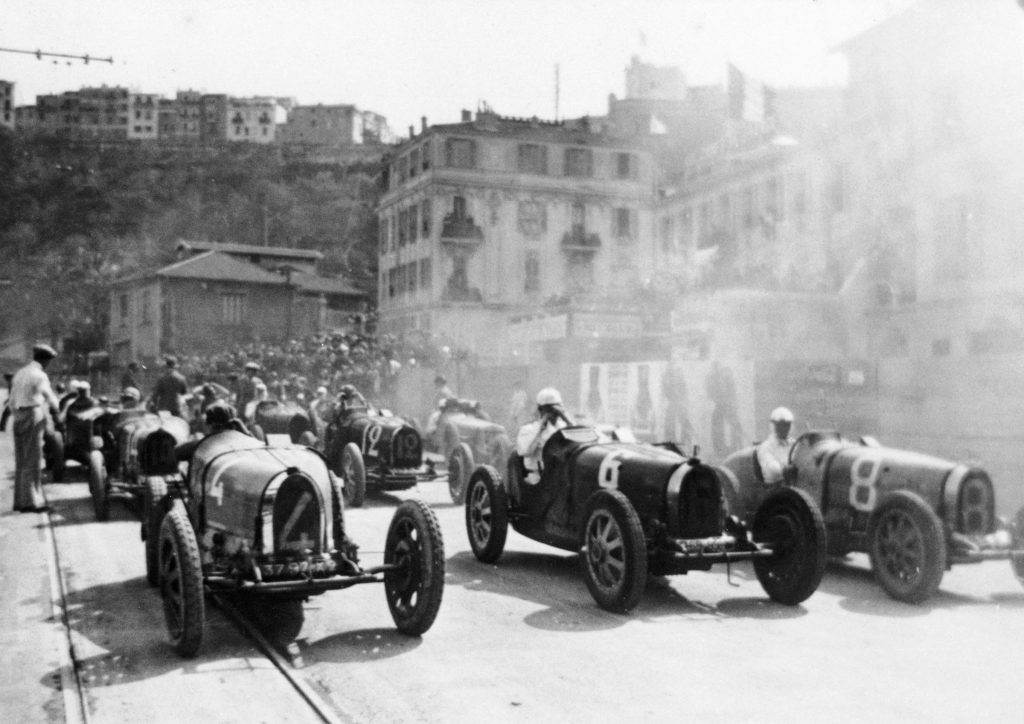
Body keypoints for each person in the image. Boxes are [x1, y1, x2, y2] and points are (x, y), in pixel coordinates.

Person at [10, 344, 61, 512]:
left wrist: (17, 415)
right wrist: (57, 411)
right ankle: (32, 502)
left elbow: (11, 401)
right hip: (33, 413)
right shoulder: (39, 375)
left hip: (18, 415)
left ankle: (20, 501)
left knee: (21, 460)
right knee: (33, 459)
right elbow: (48, 395)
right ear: (45, 360)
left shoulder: (20, 373)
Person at [516, 387, 571, 485]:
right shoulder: (528, 429)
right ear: (540, 410)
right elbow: (525, 451)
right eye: (549, 409)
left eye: (557, 409)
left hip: (562, 478)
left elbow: (580, 441)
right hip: (538, 479)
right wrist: (541, 424)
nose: (553, 412)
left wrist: (566, 418)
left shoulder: (565, 428)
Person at [174, 400, 249, 462]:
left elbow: (175, 453)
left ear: (209, 423)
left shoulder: (200, 444)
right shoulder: (244, 443)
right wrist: (245, 432)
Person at [756, 406, 795, 485]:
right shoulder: (765, 447)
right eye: (780, 425)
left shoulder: (795, 444)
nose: (784, 428)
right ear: (774, 426)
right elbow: (771, 470)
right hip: (775, 488)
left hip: (794, 485)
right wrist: (784, 470)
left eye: (787, 425)